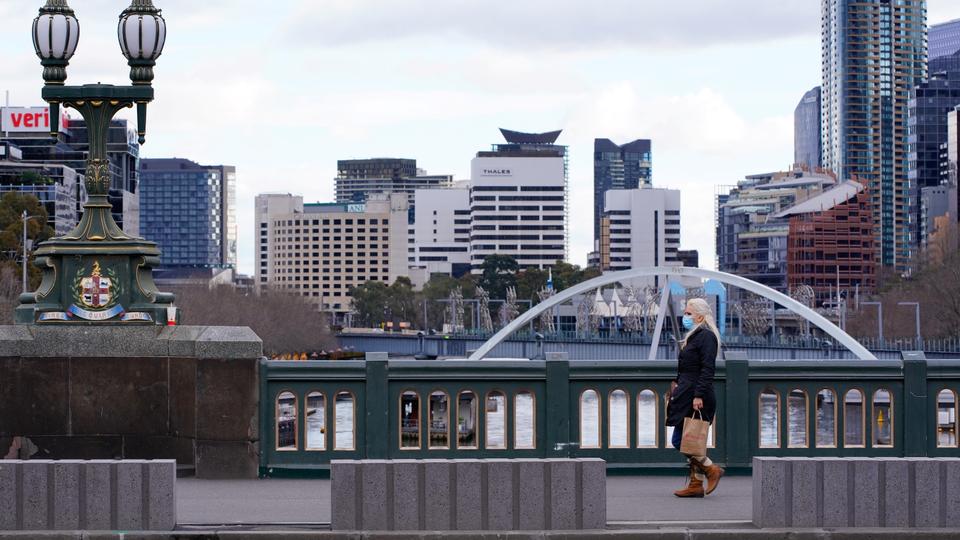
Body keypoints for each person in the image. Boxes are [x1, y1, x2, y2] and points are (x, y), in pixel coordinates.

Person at [666, 298, 724, 498]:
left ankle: (710, 469)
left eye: (689, 313)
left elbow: (708, 369)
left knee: (680, 440)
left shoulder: (706, 336)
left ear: (700, 316)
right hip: (687, 393)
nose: (686, 316)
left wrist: (698, 395)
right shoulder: (694, 336)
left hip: (697, 396)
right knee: (693, 442)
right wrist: (677, 382)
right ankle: (696, 484)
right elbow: (690, 368)